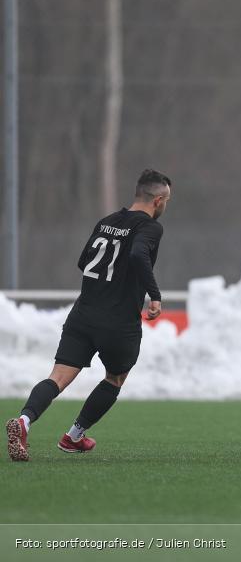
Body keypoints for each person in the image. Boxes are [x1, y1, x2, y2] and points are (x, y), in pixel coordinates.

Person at [6, 169, 172, 462]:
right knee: (115, 377)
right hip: (118, 321)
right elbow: (136, 255)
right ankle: (73, 436)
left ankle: (24, 421)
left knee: (57, 377)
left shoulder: (106, 221)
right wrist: (154, 295)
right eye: (166, 201)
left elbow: (84, 262)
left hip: (82, 314)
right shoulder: (150, 228)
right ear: (158, 200)